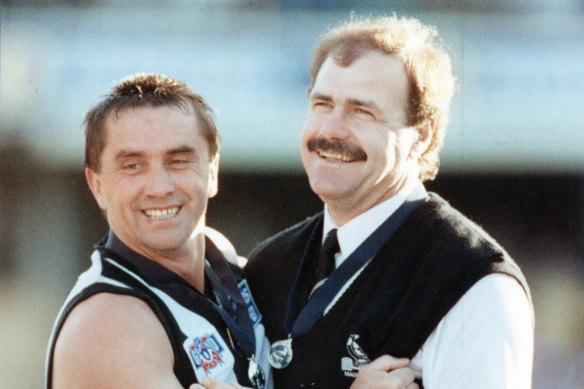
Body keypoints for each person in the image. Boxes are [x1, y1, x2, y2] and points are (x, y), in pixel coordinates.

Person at [244, 15, 534, 388]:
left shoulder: (473, 284)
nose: (330, 129)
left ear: (421, 137)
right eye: (322, 104)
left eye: (362, 111)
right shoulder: (269, 264)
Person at [45, 73, 273, 389]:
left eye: (178, 160)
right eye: (133, 166)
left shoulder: (220, 256)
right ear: (97, 186)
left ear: (212, 173)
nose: (160, 187)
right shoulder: (109, 324)